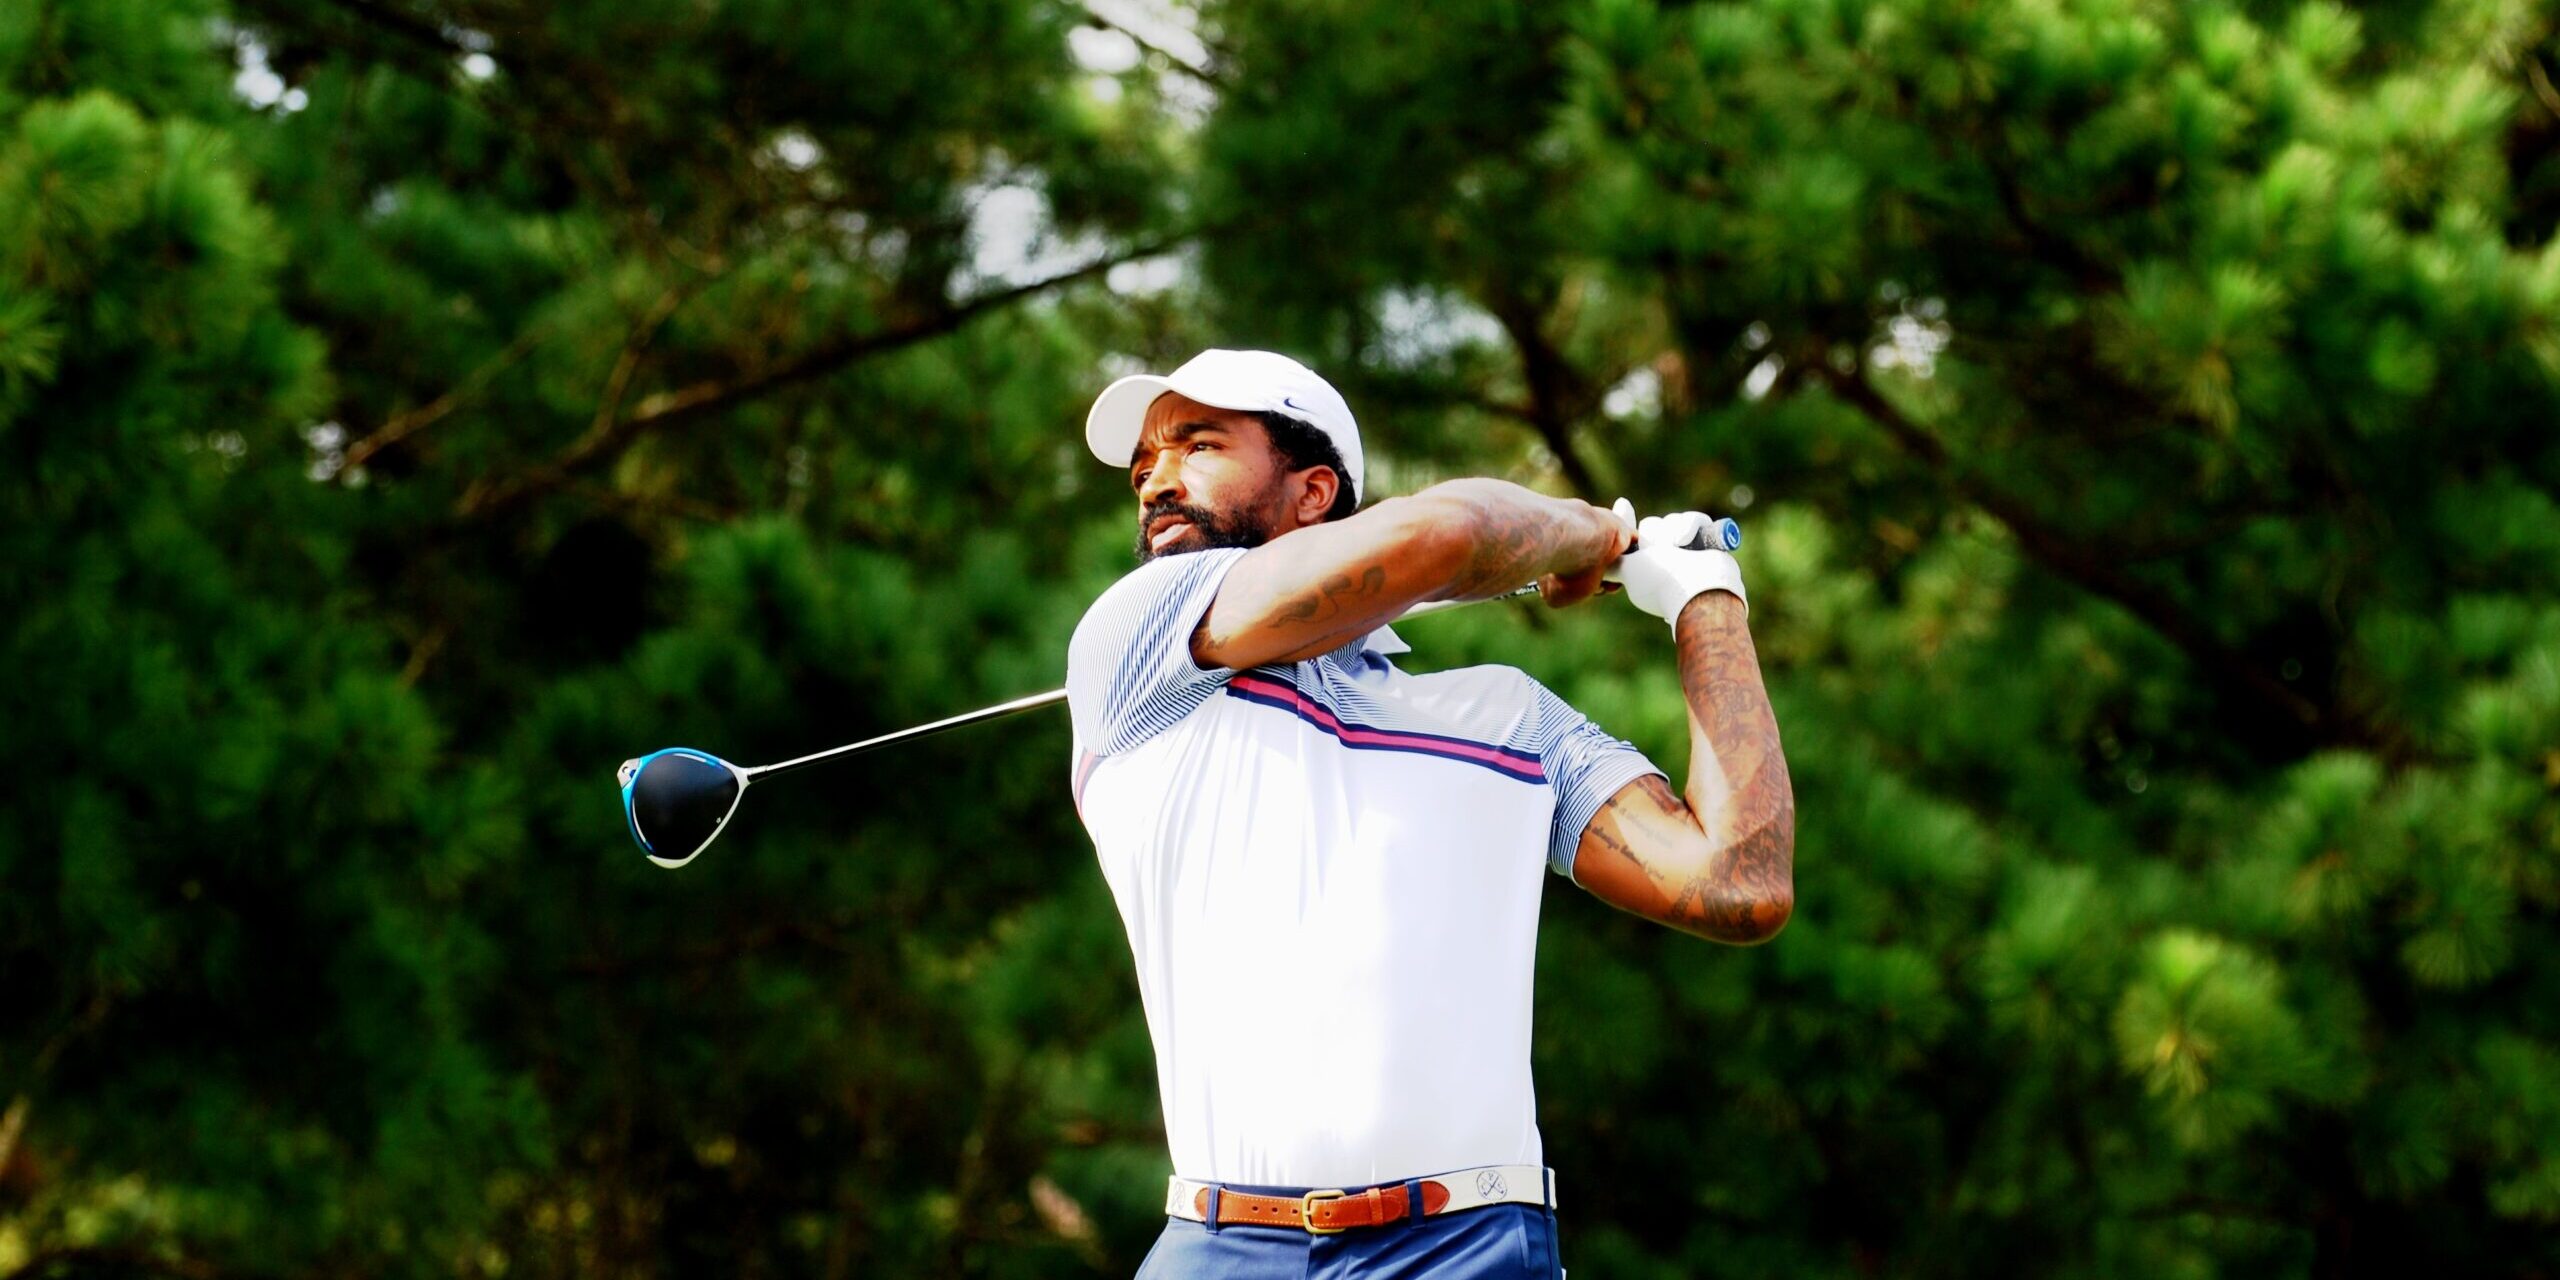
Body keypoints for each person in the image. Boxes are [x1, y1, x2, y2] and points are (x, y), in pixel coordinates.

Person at [1065, 349, 1794, 1279]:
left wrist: (1708, 602)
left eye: (1197, 445)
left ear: (1314, 490)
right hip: (1220, 1247)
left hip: (1466, 1249)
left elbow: (1738, 882)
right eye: (1142, 468)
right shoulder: (1134, 643)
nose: (1156, 481)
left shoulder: (1507, 715)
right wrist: (1588, 535)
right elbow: (1444, 537)